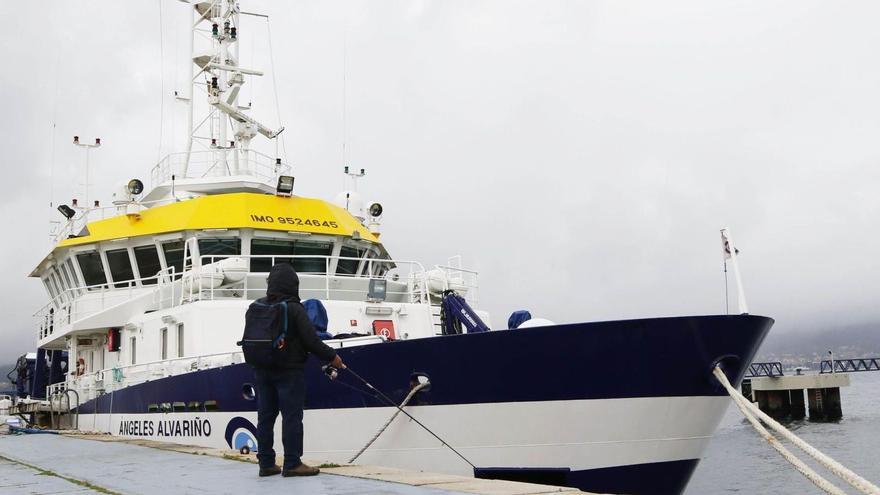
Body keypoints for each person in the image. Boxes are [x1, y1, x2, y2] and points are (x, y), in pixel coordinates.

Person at [255, 263, 344, 478]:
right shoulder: (294, 308)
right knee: (291, 417)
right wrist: (333, 357)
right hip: (288, 371)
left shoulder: (257, 306)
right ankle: (292, 463)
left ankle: (266, 463)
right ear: (293, 284)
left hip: (261, 370)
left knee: (265, 418)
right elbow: (312, 341)